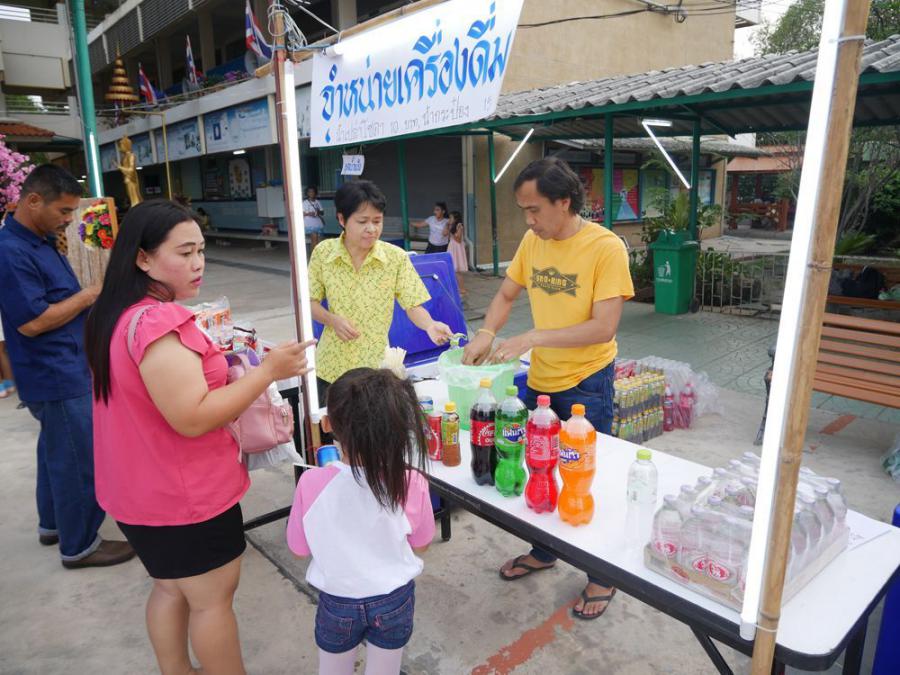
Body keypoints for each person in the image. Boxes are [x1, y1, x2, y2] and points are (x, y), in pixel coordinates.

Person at [85, 199, 314, 675]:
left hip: (139, 492)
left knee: (171, 588)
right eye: (184, 252)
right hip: (185, 497)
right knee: (211, 602)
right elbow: (191, 417)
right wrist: (268, 370)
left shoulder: (117, 315)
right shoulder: (158, 322)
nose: (198, 263)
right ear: (143, 258)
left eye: (202, 251)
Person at [462, 157, 634, 620]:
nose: (529, 221)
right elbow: (506, 294)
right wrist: (486, 333)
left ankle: (602, 572)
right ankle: (545, 549)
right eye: (524, 211)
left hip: (586, 383)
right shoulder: (533, 242)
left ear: (565, 202)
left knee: (586, 475)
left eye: (534, 210)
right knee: (539, 466)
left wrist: (532, 337)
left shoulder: (605, 248)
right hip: (541, 382)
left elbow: (603, 327)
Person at [0, 164, 135, 568]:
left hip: (65, 365)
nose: (68, 220)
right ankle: (80, 545)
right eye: (63, 211)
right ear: (33, 200)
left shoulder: (40, 241)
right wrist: (90, 295)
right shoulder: (12, 251)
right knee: (77, 461)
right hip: (54, 372)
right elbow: (32, 322)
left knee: (54, 453)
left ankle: (54, 525)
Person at [287, 367, 435, 675]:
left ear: (327, 424)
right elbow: (421, 545)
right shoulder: (411, 481)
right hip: (394, 600)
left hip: (337, 601)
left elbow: (299, 550)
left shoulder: (311, 483)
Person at [309, 180, 452, 401]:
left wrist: (430, 325)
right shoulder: (323, 253)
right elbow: (309, 302)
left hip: (375, 371)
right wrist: (332, 320)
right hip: (331, 368)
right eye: (362, 221)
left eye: (377, 221)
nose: (371, 229)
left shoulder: (395, 258)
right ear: (342, 219)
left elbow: (413, 305)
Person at [447, 210, 468, 297]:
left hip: (456, 248)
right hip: (452, 247)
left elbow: (458, 239)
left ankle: (462, 289)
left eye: (451, 218)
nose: (449, 219)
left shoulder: (459, 226)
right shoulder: (452, 226)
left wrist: (452, 232)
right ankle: (456, 289)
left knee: (457, 271)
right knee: (453, 269)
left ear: (455, 219)